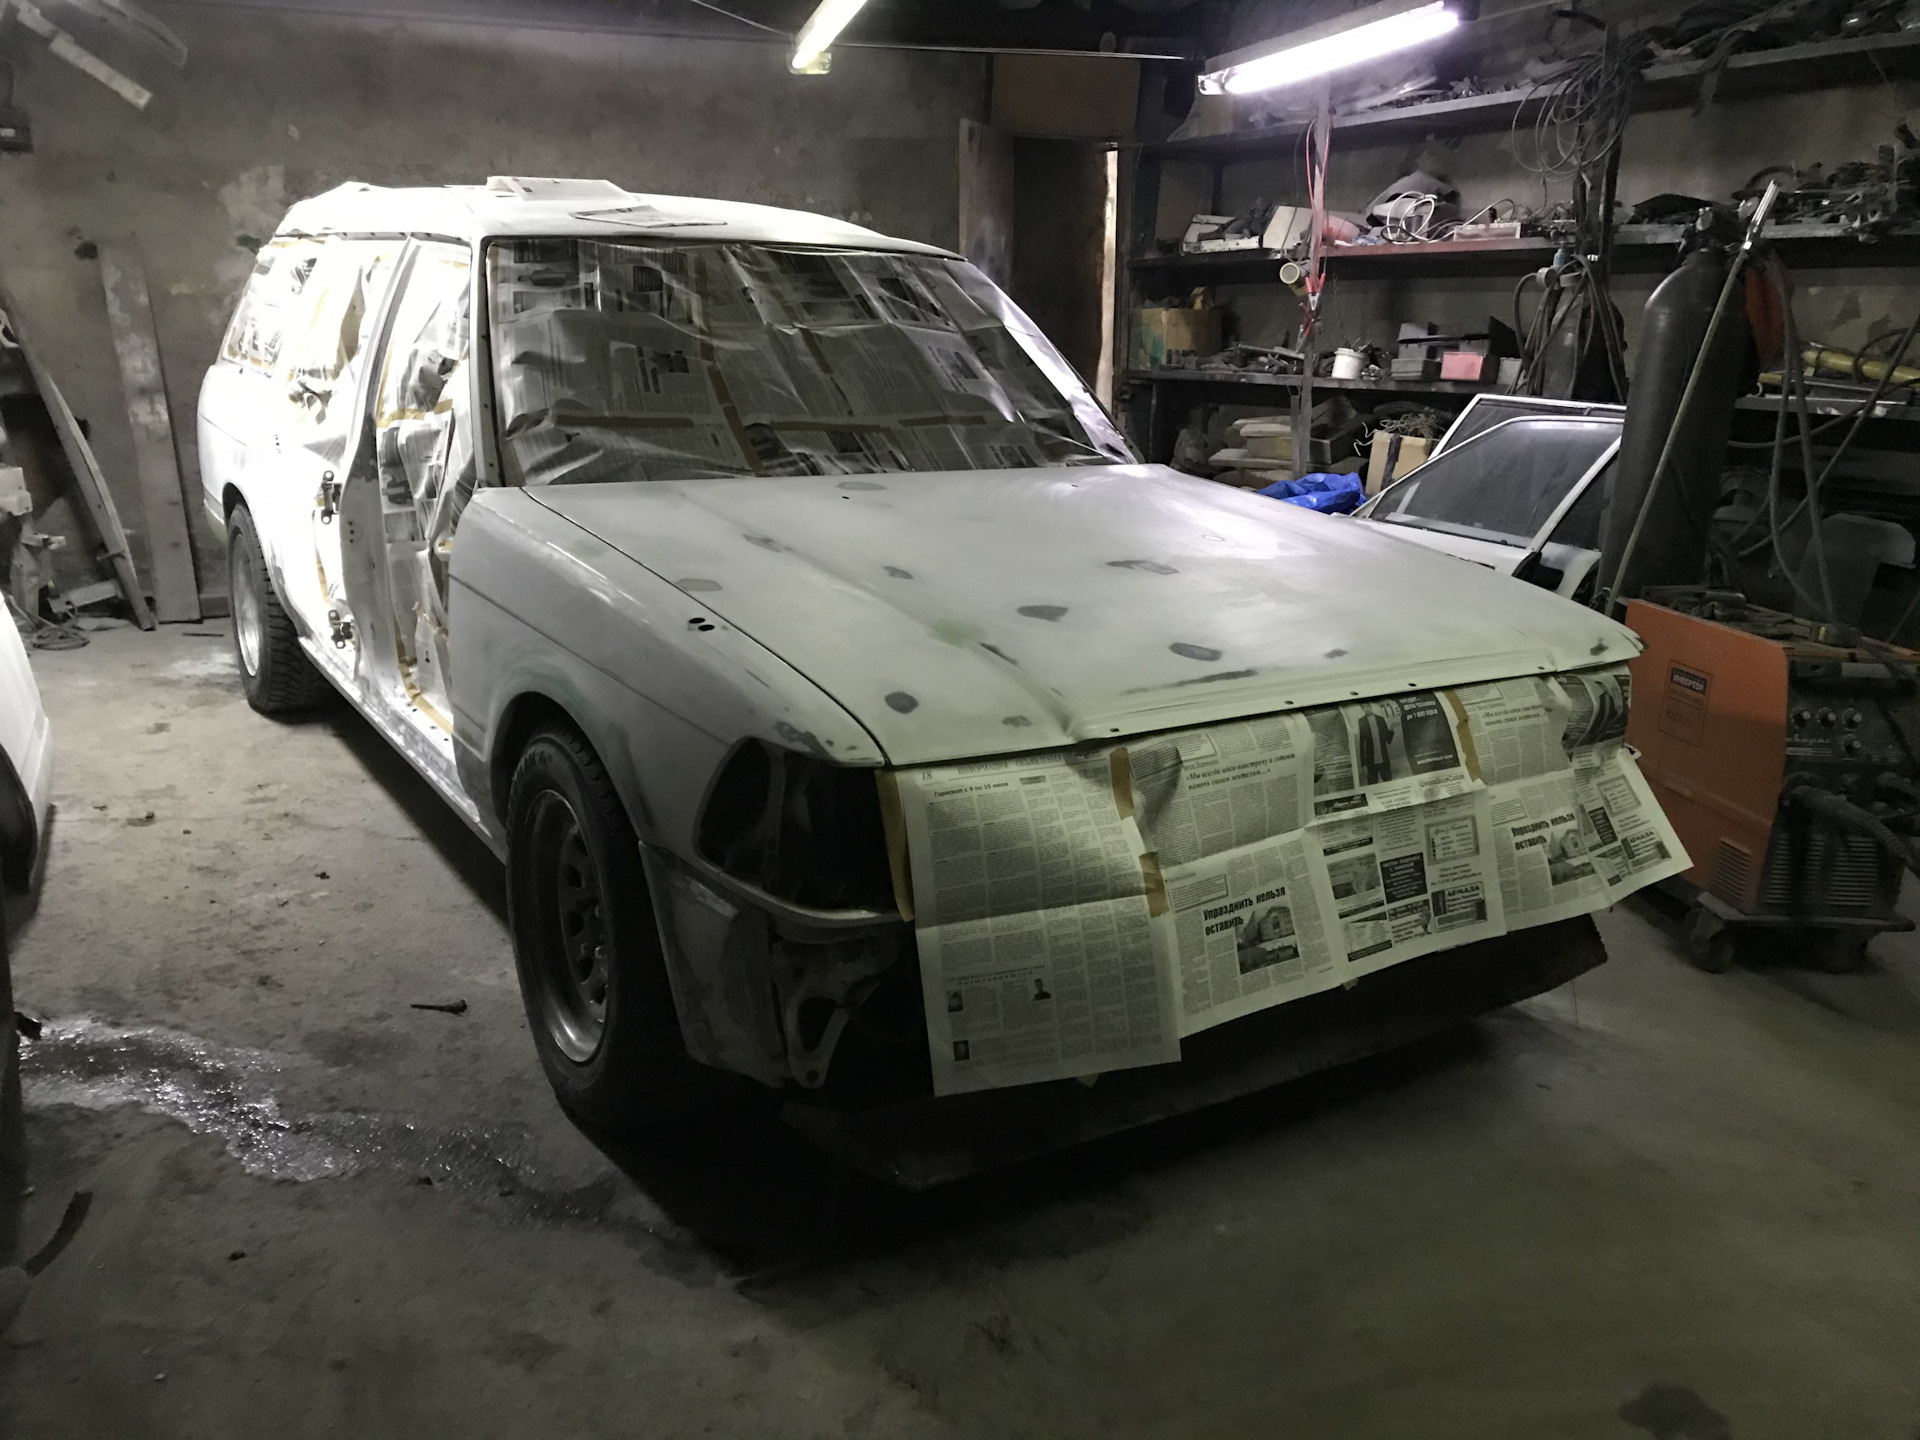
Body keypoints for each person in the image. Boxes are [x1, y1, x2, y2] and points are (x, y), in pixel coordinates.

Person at [1356, 703, 1397, 785]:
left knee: (1389, 784)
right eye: (1364, 707)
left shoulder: (1380, 719)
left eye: (1367, 706)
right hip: (1371, 763)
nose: (1366, 709)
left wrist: (1391, 730)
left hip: (1384, 761)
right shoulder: (1361, 721)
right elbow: (1362, 745)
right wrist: (1363, 765)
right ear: (1362, 709)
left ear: (1371, 706)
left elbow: (1388, 740)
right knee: (1372, 785)